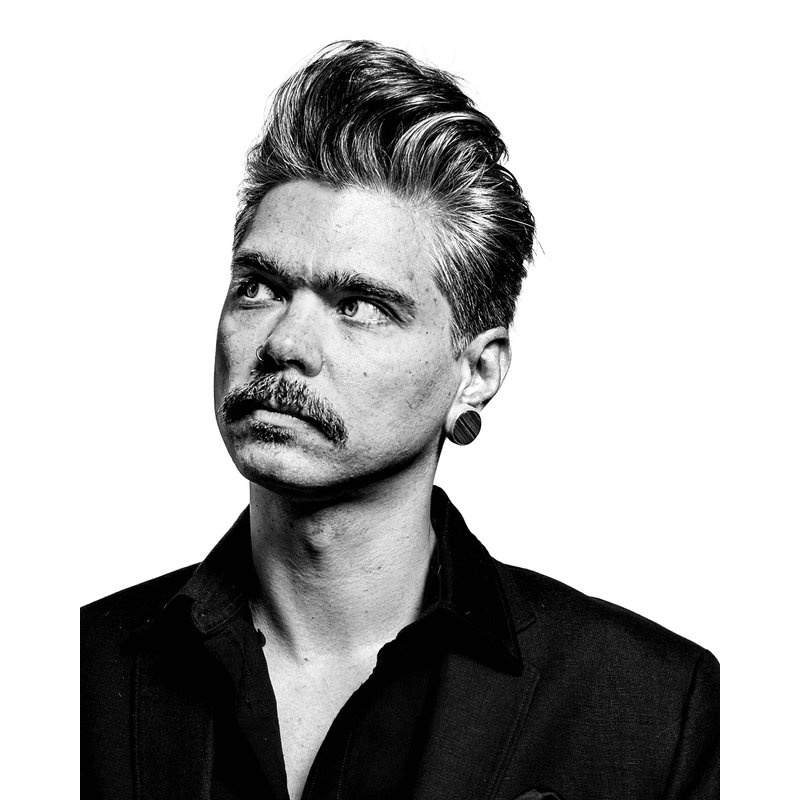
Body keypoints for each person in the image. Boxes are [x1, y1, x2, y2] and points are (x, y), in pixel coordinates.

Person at [81, 40, 719, 800]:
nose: (284, 343)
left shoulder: (651, 708)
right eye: (259, 288)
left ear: (476, 374)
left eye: (358, 305)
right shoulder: (70, 673)